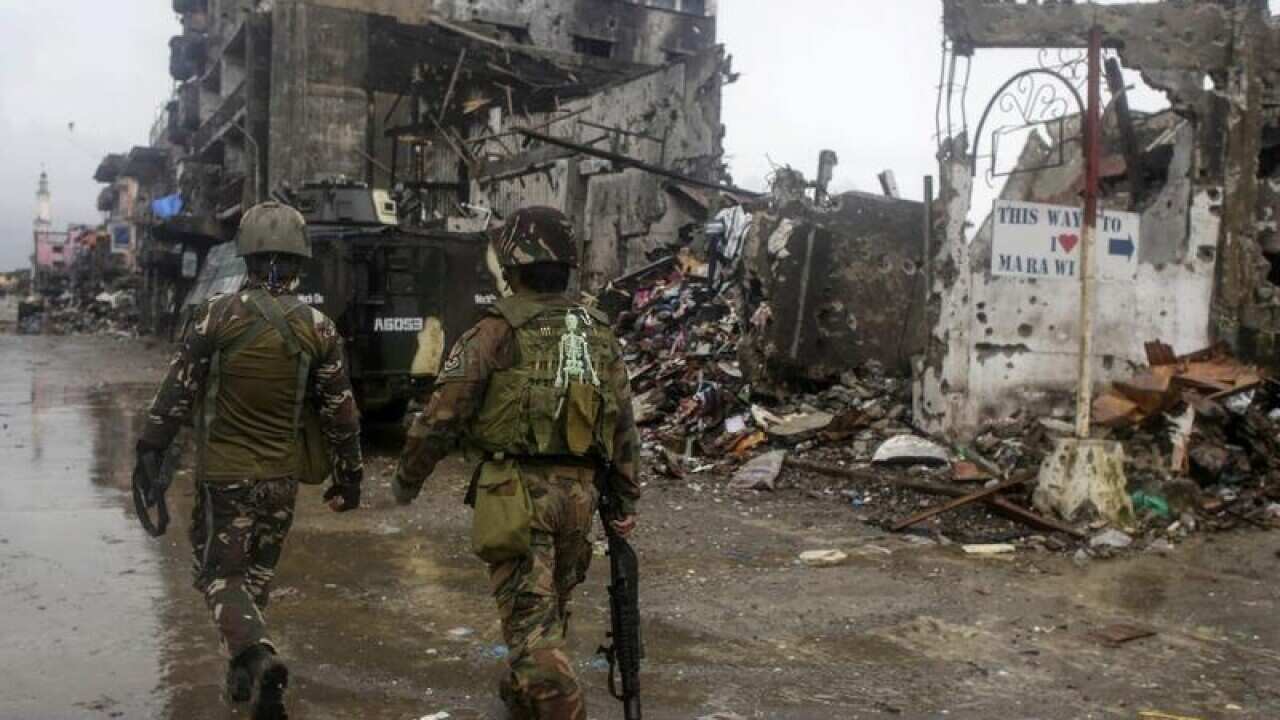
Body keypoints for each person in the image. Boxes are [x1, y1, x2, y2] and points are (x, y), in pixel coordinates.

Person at [393, 207, 640, 720]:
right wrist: (624, 497)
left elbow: (442, 415)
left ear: (511, 266)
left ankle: (550, 698)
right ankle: (524, 696)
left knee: (533, 632)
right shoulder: (597, 332)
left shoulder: (494, 331)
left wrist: (408, 478)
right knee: (549, 612)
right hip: (580, 498)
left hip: (517, 497)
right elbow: (622, 422)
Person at [133, 202, 363, 720]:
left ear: (247, 255)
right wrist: (350, 477)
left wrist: (150, 448)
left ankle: (257, 658)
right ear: (300, 259)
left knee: (220, 577)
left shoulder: (215, 315)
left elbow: (176, 392)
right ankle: (249, 684)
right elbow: (342, 414)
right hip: (281, 480)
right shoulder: (320, 328)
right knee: (255, 579)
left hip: (225, 478)